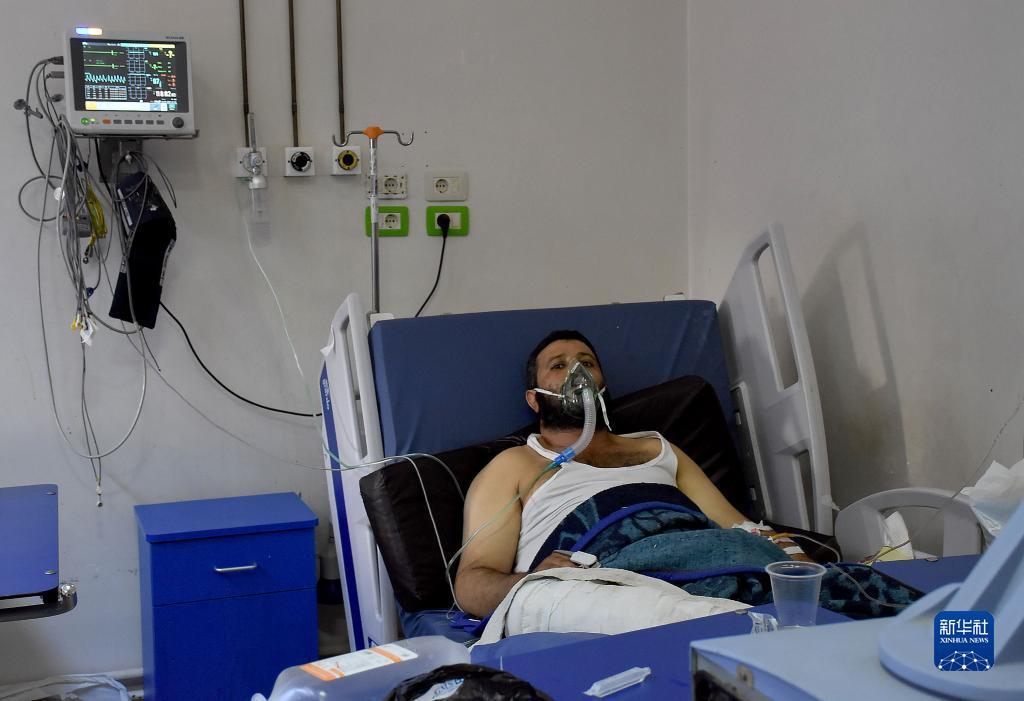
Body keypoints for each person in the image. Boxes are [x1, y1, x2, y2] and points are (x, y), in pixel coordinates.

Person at [453, 329, 807, 618]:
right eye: (559, 366)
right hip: (603, 591)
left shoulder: (657, 449)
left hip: (708, 566)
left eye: (586, 363)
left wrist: (800, 566)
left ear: (602, 383)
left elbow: (744, 531)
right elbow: (471, 584)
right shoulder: (514, 465)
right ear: (534, 399)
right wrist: (535, 581)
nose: (577, 374)